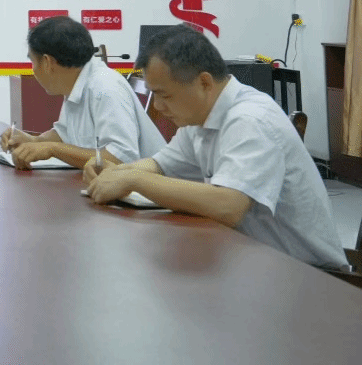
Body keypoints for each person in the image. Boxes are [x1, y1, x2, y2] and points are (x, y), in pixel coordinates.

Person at [85, 24, 347, 270]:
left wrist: (134, 179)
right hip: (250, 259)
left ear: (204, 83)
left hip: (308, 274)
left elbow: (228, 206)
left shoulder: (250, 120)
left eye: (165, 95)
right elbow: (158, 165)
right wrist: (114, 173)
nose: (158, 107)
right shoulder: (198, 119)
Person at [0, 16, 165, 169]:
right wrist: (34, 141)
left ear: (47, 62)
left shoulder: (105, 88)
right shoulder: (76, 81)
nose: (33, 70)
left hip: (150, 188)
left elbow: (121, 158)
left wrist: (52, 149)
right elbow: (65, 133)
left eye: (32, 61)